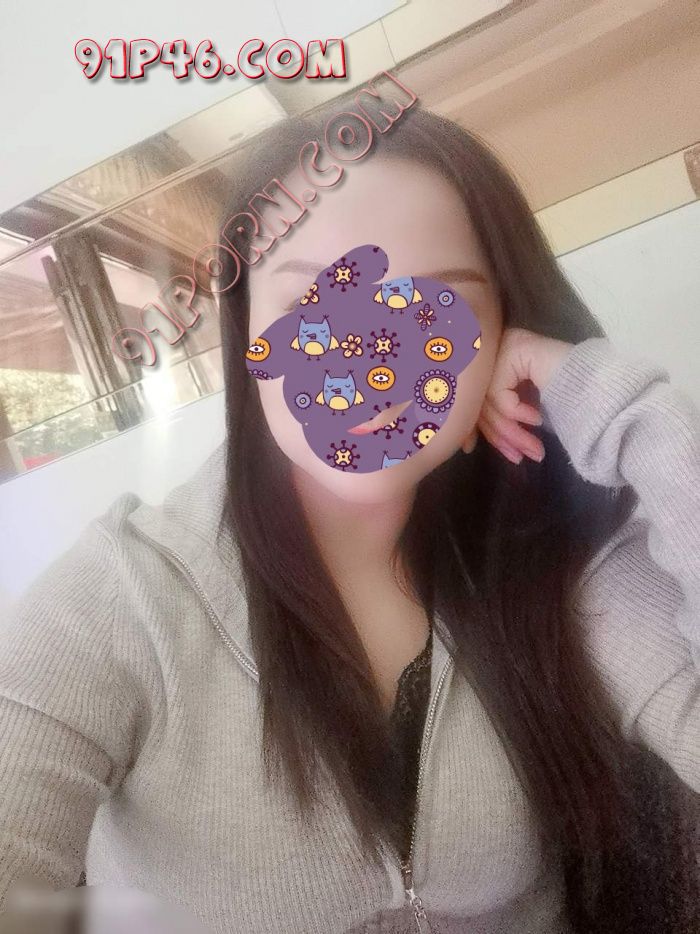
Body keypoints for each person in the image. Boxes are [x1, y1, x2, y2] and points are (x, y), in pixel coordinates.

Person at [0, 99, 698, 934]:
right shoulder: (122, 602)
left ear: (504, 335)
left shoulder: (556, 566)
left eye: (435, 305)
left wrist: (628, 411)